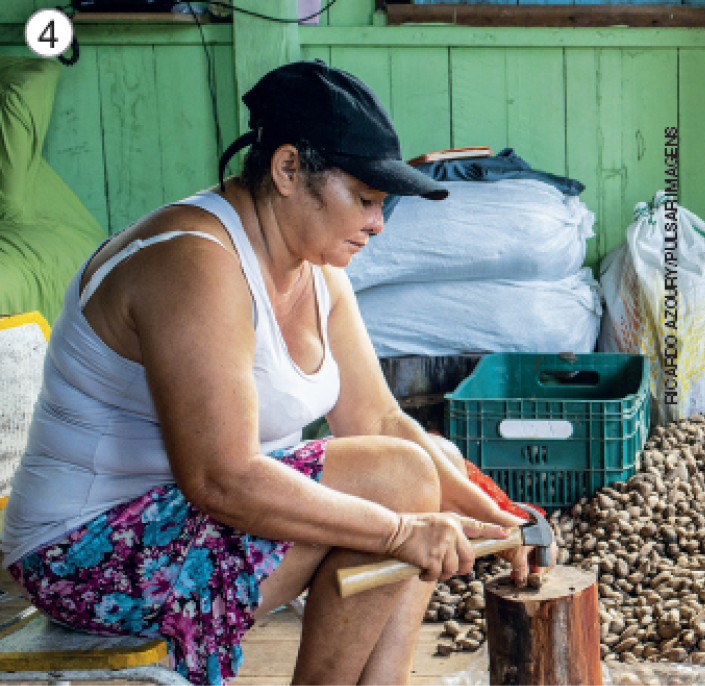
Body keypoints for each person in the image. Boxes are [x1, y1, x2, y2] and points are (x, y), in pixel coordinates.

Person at [1, 60, 555, 685]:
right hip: (84, 554)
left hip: (182, 523)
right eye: (366, 199)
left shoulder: (319, 270)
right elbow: (222, 477)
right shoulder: (194, 262)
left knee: (422, 463)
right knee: (399, 485)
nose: (377, 223)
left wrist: (504, 522)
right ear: (288, 169)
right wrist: (404, 528)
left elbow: (376, 418)